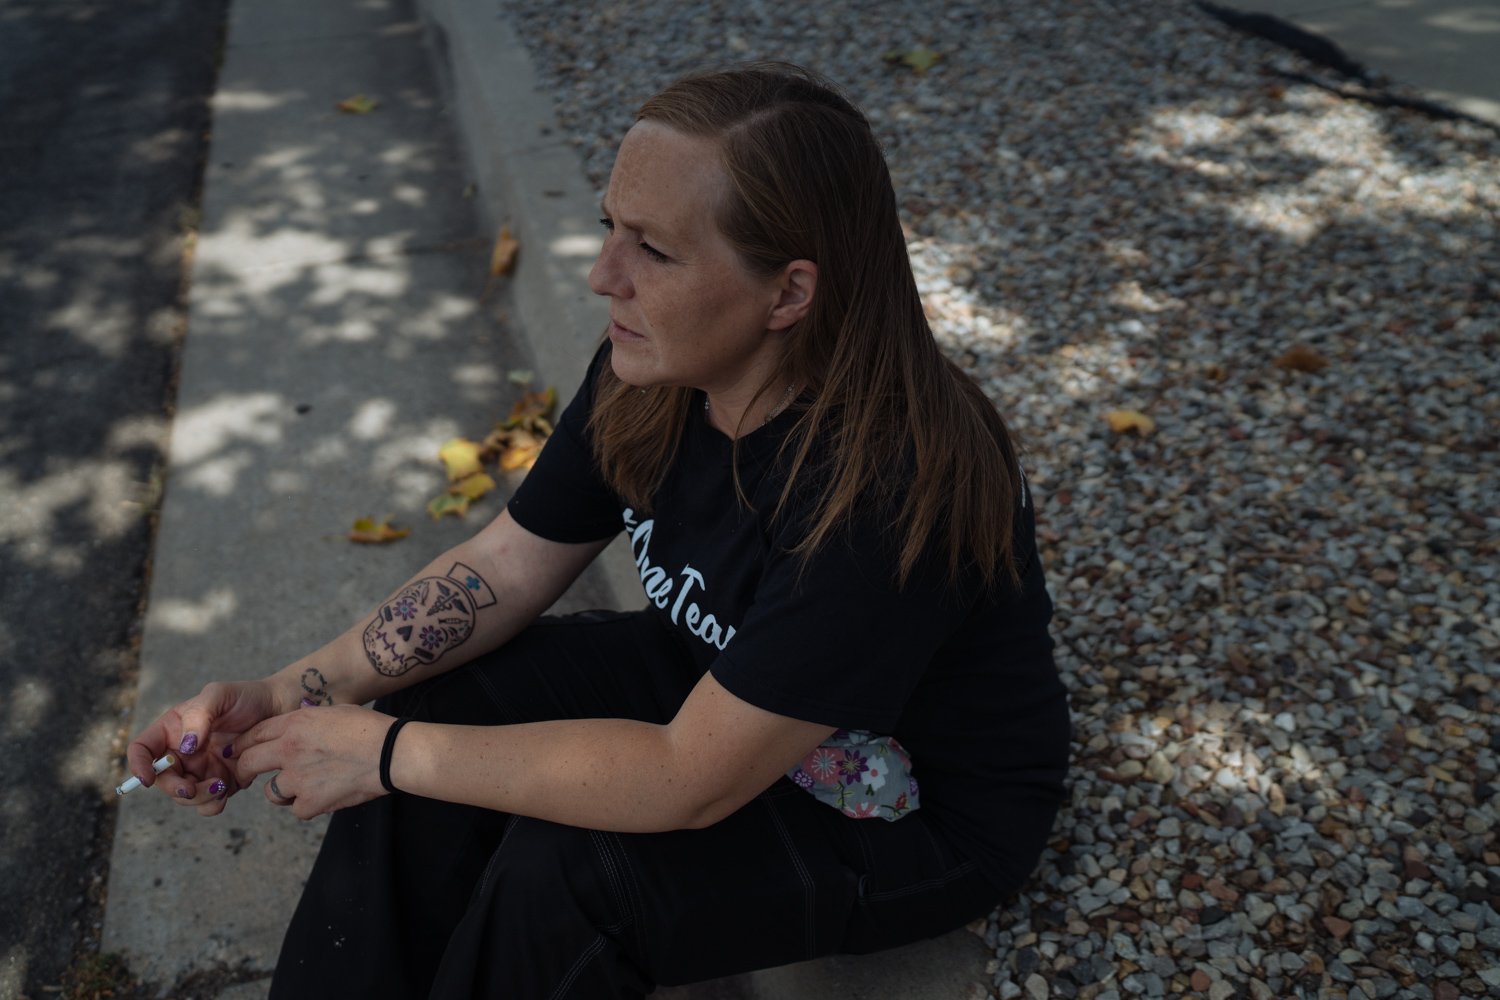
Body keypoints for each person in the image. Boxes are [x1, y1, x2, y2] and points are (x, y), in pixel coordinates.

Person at [125, 63, 1071, 999]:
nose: (601, 276)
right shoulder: (652, 373)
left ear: (788, 295)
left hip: (910, 810)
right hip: (724, 689)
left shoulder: (889, 489)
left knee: (569, 874)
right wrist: (283, 697)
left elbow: (683, 780)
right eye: (607, 228)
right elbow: (505, 564)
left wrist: (379, 753)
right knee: (443, 704)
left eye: (654, 251)